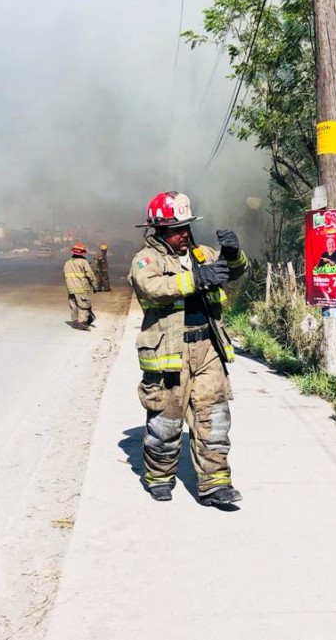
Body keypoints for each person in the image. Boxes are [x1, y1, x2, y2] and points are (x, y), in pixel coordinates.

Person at [129, 191, 248, 508]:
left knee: (214, 417)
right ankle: (159, 478)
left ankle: (215, 484)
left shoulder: (203, 254)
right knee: (166, 424)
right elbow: (153, 288)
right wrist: (196, 279)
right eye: (175, 229)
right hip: (169, 353)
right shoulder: (146, 260)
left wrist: (233, 255)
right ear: (159, 230)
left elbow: (233, 271)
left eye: (186, 227)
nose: (183, 234)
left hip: (208, 347)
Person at [64, 242, 98, 330]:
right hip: (81, 289)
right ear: (82, 252)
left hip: (71, 289)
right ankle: (82, 323)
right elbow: (90, 275)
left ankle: (75, 322)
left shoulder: (67, 263)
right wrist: (95, 286)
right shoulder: (83, 262)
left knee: (73, 306)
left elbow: (66, 277)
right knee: (84, 306)